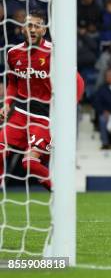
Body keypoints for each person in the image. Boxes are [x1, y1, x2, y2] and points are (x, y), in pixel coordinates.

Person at [0, 10, 85, 190]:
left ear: (44, 30)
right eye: (29, 25)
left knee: (29, 162)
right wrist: (7, 104)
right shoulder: (13, 53)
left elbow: (78, 82)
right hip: (20, 113)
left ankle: (60, 192)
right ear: (23, 28)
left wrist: (70, 107)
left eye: (37, 25)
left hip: (46, 116)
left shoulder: (55, 53)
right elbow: (13, 84)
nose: (33, 29)